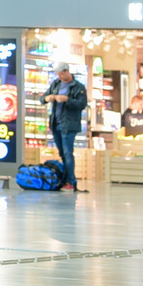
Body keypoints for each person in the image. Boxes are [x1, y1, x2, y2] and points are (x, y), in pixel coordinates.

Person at [44, 62, 90, 192]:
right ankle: (68, 180)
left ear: (66, 71)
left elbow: (81, 104)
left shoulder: (78, 87)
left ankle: (70, 182)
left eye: (60, 74)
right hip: (56, 123)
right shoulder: (56, 84)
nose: (59, 76)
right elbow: (43, 98)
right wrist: (48, 98)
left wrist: (66, 100)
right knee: (62, 153)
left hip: (69, 124)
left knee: (67, 153)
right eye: (57, 74)